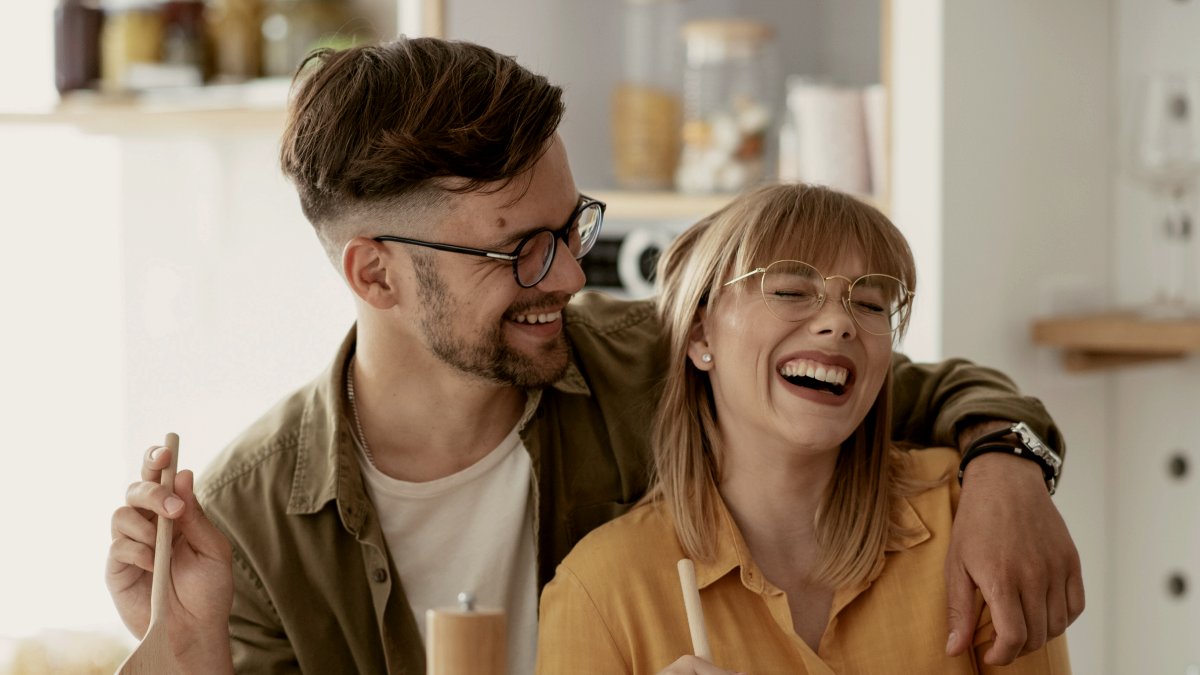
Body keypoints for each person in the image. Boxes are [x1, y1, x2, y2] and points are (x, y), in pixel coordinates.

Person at [106, 38, 1082, 674]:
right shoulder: (252, 519)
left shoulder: (647, 360)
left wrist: (1011, 472)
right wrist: (182, 660)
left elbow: (919, 391)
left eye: (571, 226)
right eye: (521, 248)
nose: (572, 275)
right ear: (377, 276)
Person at [536, 183, 1072, 674]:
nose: (840, 321)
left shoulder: (973, 518)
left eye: (868, 303)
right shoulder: (600, 590)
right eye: (791, 292)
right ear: (701, 335)